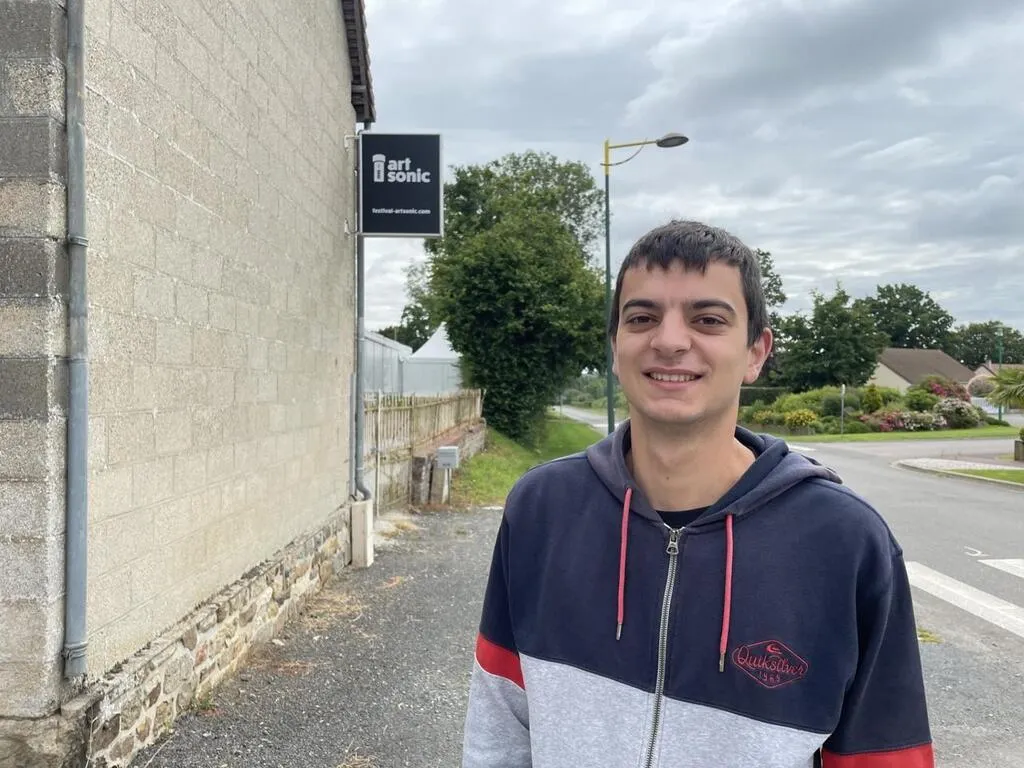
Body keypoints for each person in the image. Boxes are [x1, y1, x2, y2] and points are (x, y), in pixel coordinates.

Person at [460, 220, 933, 768]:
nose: (669, 341)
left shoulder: (845, 541)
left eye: (708, 319)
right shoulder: (541, 509)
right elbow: (500, 723)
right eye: (642, 318)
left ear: (756, 352)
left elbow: (884, 756)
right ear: (615, 346)